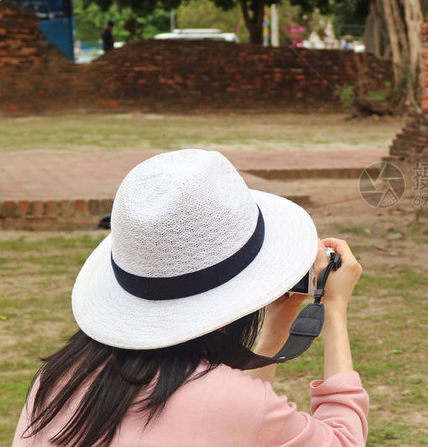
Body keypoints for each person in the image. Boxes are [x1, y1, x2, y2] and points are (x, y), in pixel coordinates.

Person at [13, 149, 368, 446]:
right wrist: (334, 309)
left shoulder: (58, 379)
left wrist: (279, 321)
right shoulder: (228, 401)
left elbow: (238, 429)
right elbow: (342, 440)